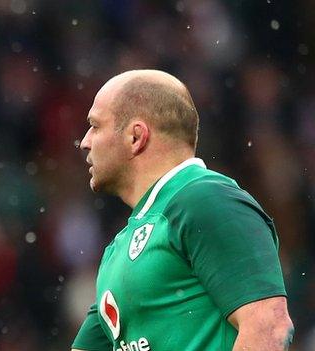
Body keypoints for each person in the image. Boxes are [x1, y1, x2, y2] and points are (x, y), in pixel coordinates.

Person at [71, 70, 294, 351]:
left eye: (95, 125)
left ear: (136, 136)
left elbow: (269, 327)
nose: (85, 142)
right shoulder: (119, 247)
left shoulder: (205, 199)